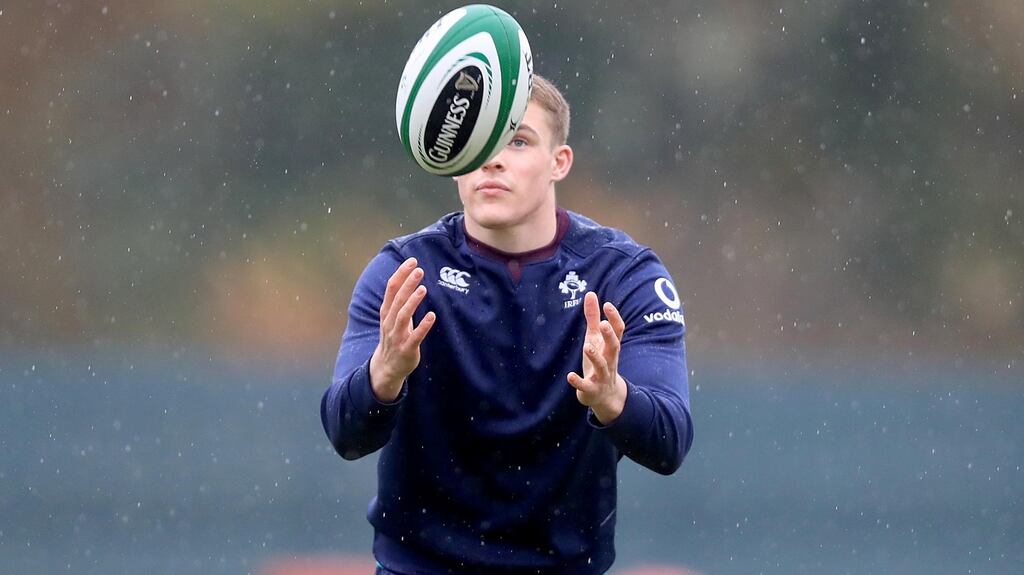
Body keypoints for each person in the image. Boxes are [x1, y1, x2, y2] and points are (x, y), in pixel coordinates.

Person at [321, 75, 693, 574]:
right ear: (455, 158)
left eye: (517, 140)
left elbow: (671, 441)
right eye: (479, 139)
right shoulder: (403, 273)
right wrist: (383, 376)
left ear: (559, 162)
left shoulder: (623, 276)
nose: (493, 159)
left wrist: (613, 398)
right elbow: (345, 434)